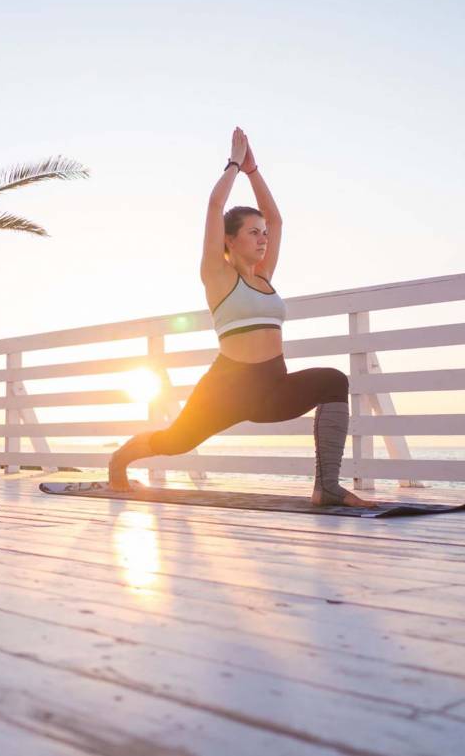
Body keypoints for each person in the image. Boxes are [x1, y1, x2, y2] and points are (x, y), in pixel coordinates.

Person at [108, 127, 377, 508]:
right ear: (229, 240)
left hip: (272, 388)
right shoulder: (217, 278)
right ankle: (119, 459)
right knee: (176, 441)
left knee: (334, 381)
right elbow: (214, 207)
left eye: (263, 233)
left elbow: (278, 221)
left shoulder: (264, 278)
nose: (264, 237)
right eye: (254, 232)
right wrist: (234, 164)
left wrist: (254, 171)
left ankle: (327, 487)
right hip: (226, 389)